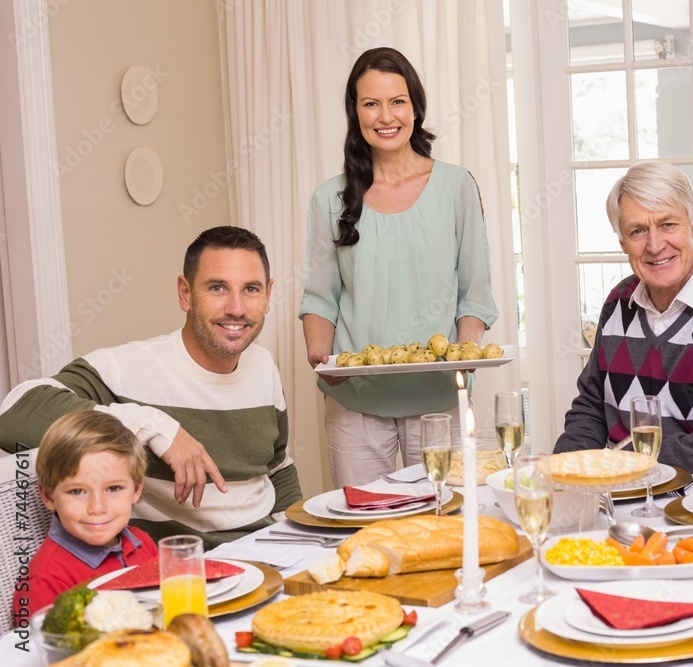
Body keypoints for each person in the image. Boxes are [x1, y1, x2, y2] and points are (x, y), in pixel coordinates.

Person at [0, 226, 301, 548]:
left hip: (267, 552)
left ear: (268, 295)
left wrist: (297, 537)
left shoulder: (263, 365)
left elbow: (278, 466)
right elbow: (15, 415)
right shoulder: (125, 368)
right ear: (185, 293)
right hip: (179, 570)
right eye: (217, 288)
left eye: (251, 289)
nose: (236, 308)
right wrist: (156, 428)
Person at [299, 47, 498, 488]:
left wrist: (465, 362)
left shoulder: (455, 186)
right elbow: (319, 295)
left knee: (444, 521)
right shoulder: (329, 199)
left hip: (439, 398)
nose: (385, 116)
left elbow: (475, 292)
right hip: (355, 400)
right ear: (355, 112)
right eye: (370, 103)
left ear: (415, 107)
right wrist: (321, 358)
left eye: (397, 101)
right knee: (366, 529)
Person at [553, 161, 693, 475]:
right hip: (620, 499)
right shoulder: (619, 301)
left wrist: (624, 459)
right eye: (638, 231)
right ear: (622, 242)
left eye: (668, 224)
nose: (655, 246)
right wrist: (562, 474)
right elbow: (590, 409)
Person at [14, 411, 156, 616]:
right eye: (77, 491)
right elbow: (46, 646)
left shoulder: (142, 543)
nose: (97, 508)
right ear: (49, 496)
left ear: (135, 490)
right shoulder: (45, 580)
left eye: (113, 488)